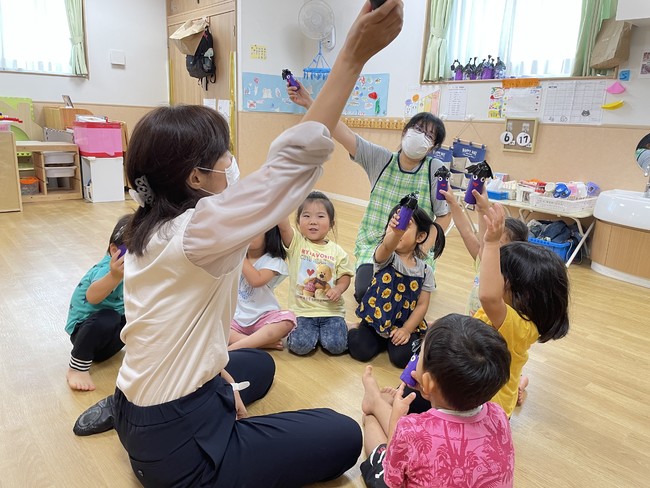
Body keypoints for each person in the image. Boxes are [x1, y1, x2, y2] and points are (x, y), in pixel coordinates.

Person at [75, 2, 405, 486]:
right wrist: (353, 54)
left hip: (140, 407)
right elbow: (287, 169)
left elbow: (277, 179)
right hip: (177, 451)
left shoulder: (150, 222)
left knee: (255, 368)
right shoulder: (196, 231)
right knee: (342, 435)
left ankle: (161, 405)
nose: (231, 162)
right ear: (194, 176)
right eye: (223, 155)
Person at [287, 90, 451, 303]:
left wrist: (423, 249)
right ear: (405, 131)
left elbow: (443, 216)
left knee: (406, 299)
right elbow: (343, 132)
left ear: (433, 147)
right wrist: (310, 101)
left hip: (412, 250)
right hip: (373, 245)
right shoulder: (381, 159)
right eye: (418, 129)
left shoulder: (435, 170)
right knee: (365, 293)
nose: (421, 136)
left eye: (429, 136)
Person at [360, 314, 514, 488]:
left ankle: (374, 405)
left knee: (377, 438)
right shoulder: (498, 414)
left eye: (420, 352)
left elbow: (392, 479)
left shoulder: (410, 429)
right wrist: (429, 391)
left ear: (427, 382)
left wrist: (397, 419)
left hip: (396, 464)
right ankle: (375, 403)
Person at [476, 203, 569, 418]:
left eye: (500, 275)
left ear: (522, 293)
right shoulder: (505, 316)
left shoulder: (517, 326)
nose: (491, 277)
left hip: (490, 412)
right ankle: (520, 382)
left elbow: (488, 295)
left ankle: (519, 382)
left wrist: (491, 242)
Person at [441, 188, 530, 404]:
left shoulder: (508, 280)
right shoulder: (483, 261)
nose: (486, 243)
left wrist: (485, 210)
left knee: (503, 370)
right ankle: (521, 382)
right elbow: (466, 232)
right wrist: (454, 204)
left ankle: (520, 384)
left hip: (499, 340)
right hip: (476, 331)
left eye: (495, 241)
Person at [348, 204, 444, 368]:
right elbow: (386, 246)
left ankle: (422, 332)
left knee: (403, 358)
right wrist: (396, 232)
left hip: (402, 324)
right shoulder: (386, 257)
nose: (397, 231)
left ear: (420, 237)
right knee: (360, 351)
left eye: (404, 227)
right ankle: (352, 326)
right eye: (393, 226)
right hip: (375, 321)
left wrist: (407, 329)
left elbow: (422, 305)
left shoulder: (425, 271)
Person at [279, 191, 354, 355]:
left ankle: (343, 326)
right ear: (298, 222)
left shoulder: (337, 251)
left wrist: (339, 289)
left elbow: (345, 276)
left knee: (337, 346)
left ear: (331, 223)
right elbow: (283, 225)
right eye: (306, 216)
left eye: (320, 216)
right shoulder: (297, 243)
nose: (313, 221)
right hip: (303, 312)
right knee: (299, 346)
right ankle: (318, 334)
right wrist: (282, 196)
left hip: (331, 312)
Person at [65, 214, 130, 391]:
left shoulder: (136, 270)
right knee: (108, 316)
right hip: (84, 334)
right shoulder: (104, 269)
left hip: (110, 342)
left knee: (137, 313)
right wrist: (114, 276)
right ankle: (77, 367)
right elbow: (93, 296)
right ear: (114, 250)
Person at [228, 225, 296, 351]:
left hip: (263, 317)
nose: (248, 236)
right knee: (211, 324)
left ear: (269, 235)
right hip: (235, 317)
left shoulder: (274, 261)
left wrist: (238, 255)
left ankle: (234, 347)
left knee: (288, 320)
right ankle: (258, 343)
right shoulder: (233, 259)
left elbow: (256, 280)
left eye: (255, 232)